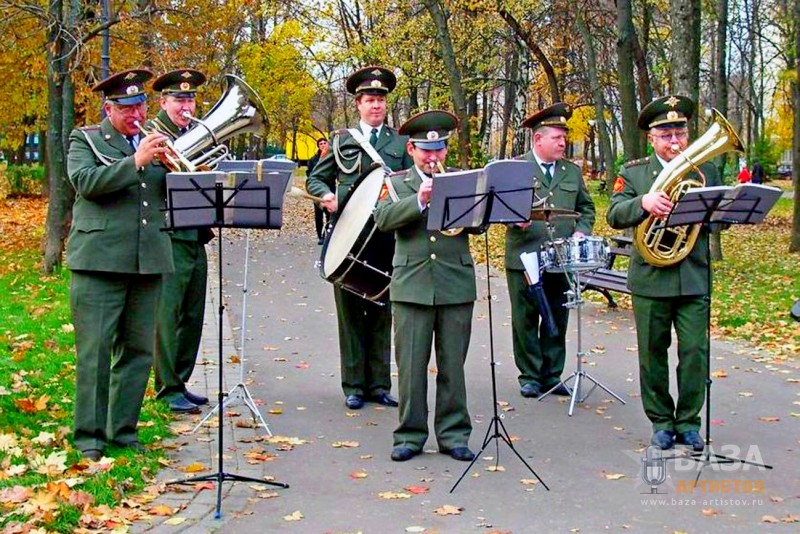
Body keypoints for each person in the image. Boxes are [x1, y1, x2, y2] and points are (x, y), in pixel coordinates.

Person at [66, 69, 173, 460]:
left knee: (138, 351)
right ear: (109, 109)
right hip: (99, 262)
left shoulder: (157, 142)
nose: (136, 113)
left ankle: (123, 431)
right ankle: (89, 437)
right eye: (127, 107)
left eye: (140, 105)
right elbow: (86, 182)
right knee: (94, 354)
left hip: (147, 260)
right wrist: (137, 162)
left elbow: (172, 195)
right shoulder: (86, 139)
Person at [607, 95, 721, 452]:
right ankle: (660, 420)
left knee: (694, 353)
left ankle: (688, 422)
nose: (675, 142)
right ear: (652, 138)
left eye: (681, 133)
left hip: (692, 276)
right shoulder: (635, 172)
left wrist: (719, 214)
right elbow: (614, 214)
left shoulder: (705, 171)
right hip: (651, 278)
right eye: (667, 135)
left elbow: (721, 220)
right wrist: (643, 203)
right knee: (652, 352)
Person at [306, 66, 412, 410]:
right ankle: (353, 385)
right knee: (350, 314)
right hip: (348, 239)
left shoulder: (400, 143)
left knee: (382, 311)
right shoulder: (343, 140)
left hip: (387, 237)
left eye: (381, 100)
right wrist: (325, 195)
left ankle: (379, 384)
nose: (376, 105)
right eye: (370, 100)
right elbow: (316, 179)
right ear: (359, 104)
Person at [374, 110, 476, 462]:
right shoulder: (396, 181)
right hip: (412, 284)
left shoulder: (462, 180)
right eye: (425, 151)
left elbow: (477, 226)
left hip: (455, 282)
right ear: (412, 149)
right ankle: (409, 435)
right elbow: (383, 220)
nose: (433, 158)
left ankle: (454, 435)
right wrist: (420, 199)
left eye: (439, 151)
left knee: (453, 366)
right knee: (412, 367)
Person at [504, 103, 596, 399]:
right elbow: (497, 208)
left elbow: (586, 207)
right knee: (526, 317)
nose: (562, 142)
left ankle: (552, 375)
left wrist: (582, 230)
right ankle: (529, 375)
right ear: (537, 140)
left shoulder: (571, 171)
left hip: (561, 257)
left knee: (557, 315)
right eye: (556, 137)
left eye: (563, 137)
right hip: (524, 254)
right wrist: (512, 219)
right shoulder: (515, 168)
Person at [150, 69, 211, 413]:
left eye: (190, 99)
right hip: (167, 234)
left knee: (192, 313)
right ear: (164, 102)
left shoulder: (198, 135)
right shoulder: (154, 135)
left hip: (194, 233)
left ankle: (180, 382)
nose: (186, 106)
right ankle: (166, 386)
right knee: (168, 314)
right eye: (179, 99)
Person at [307, 137, 331, 244]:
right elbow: (309, 173)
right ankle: (320, 236)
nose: (322, 145)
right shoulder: (313, 159)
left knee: (329, 213)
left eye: (324, 143)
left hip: (329, 187)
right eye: (320, 143)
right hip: (317, 189)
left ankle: (328, 234)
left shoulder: (331, 157)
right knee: (318, 213)